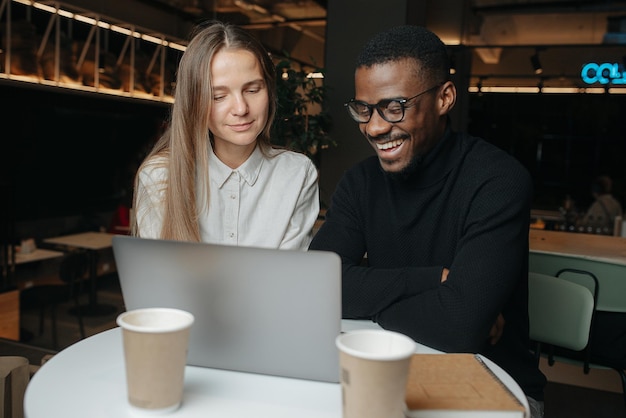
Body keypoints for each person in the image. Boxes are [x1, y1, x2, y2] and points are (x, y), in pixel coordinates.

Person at [309, 25, 546, 416]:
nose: (375, 127)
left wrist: (366, 294)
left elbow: (459, 328)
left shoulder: (498, 180)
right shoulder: (360, 182)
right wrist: (430, 281)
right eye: (363, 109)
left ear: (444, 98)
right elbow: (316, 284)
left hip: (494, 382)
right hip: (387, 370)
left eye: (394, 107)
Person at [132, 21, 319, 249]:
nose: (241, 109)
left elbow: (287, 278)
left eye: (252, 90)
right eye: (219, 96)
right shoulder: (160, 175)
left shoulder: (297, 174)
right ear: (194, 102)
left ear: (269, 91)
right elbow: (158, 276)